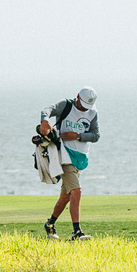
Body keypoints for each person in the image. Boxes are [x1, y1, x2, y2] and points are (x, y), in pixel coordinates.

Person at [39, 87, 99, 240]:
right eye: (83, 105)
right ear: (78, 97)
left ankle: (50, 224)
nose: (85, 109)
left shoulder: (92, 113)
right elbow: (47, 110)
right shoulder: (66, 105)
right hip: (64, 156)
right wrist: (45, 121)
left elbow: (95, 135)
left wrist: (78, 135)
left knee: (66, 196)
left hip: (80, 158)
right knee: (76, 191)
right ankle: (77, 232)